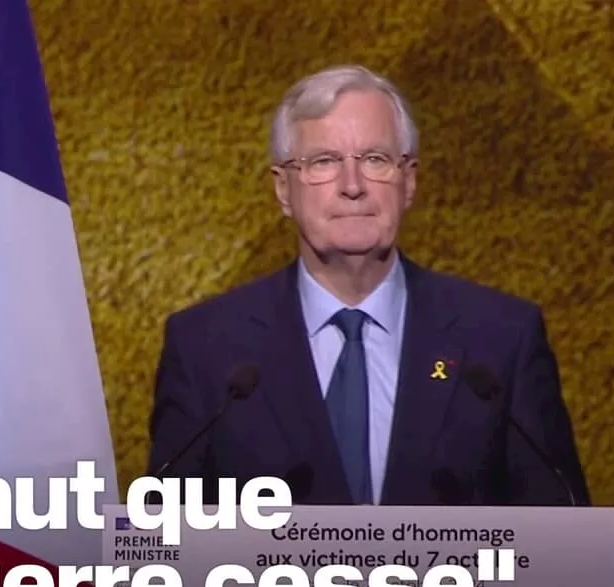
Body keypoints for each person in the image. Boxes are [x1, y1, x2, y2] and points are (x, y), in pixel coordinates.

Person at [147, 65, 589, 507]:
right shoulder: (205, 348)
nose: (353, 186)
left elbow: (561, 538)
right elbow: (164, 546)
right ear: (284, 189)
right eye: (323, 162)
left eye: (375, 160)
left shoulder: (501, 341)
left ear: (409, 181)